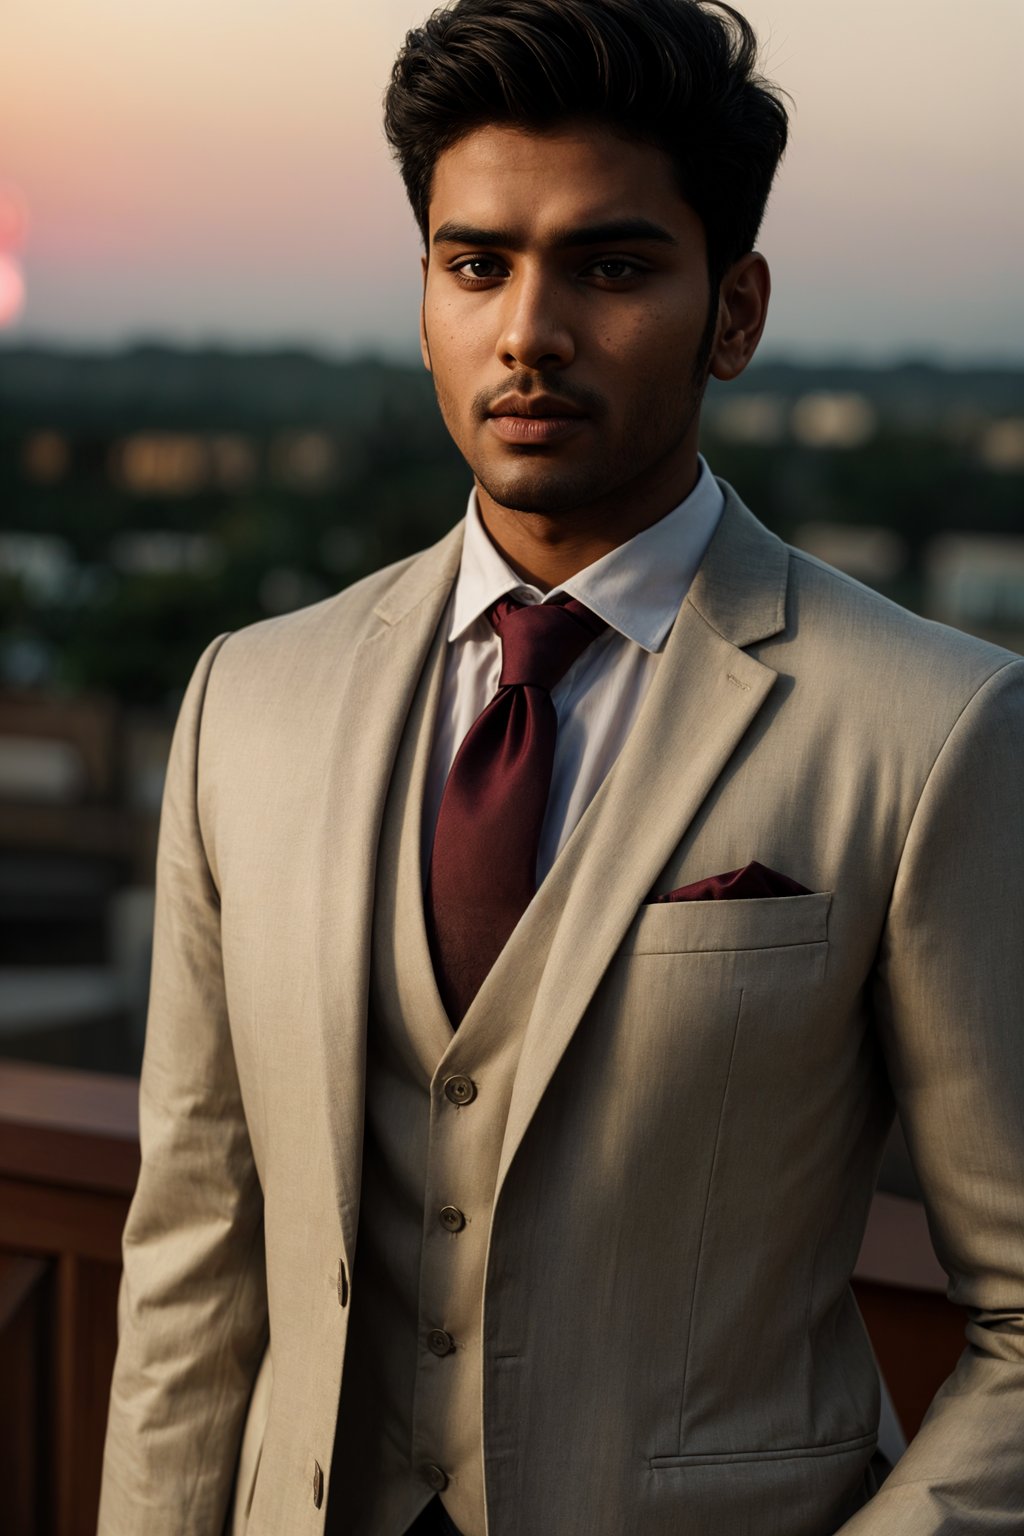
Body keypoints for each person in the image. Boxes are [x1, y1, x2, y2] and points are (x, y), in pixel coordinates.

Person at [98, 1, 1024, 1532]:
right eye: (478, 266)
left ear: (735, 313)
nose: (528, 331)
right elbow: (194, 1253)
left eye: (610, 266)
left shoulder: (929, 727)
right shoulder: (244, 702)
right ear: (425, 302)